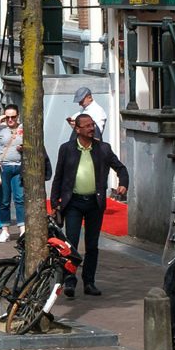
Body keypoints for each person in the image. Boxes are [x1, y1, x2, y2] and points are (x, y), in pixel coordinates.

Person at [47, 110, 128, 297]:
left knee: (92, 245)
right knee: (71, 243)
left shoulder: (104, 149)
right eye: (88, 126)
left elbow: (120, 168)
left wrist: (123, 183)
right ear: (77, 129)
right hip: (73, 202)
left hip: (94, 203)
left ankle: (89, 282)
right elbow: (58, 177)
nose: (92, 129)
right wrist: (55, 203)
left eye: (93, 125)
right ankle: (69, 281)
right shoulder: (66, 148)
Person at [0, 105, 26, 241]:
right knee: (4, 199)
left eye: (13, 117)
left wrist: (22, 148)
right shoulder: (1, 128)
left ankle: (23, 230)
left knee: (19, 199)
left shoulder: (23, 128)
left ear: (18, 116)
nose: (10, 120)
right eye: (7, 117)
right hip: (3, 167)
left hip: (18, 166)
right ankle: (5, 230)